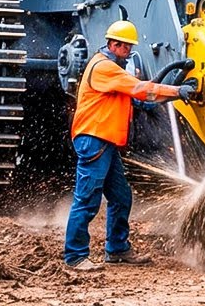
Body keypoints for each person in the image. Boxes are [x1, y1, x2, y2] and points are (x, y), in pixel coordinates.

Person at [63, 19, 195, 271]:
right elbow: (140, 89)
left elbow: (139, 99)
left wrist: (171, 92)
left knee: (121, 197)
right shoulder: (104, 67)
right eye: (125, 47)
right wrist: (178, 91)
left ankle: (117, 249)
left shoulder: (113, 70)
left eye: (130, 47)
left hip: (106, 141)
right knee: (87, 200)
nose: (129, 52)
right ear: (113, 44)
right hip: (94, 139)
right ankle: (75, 256)